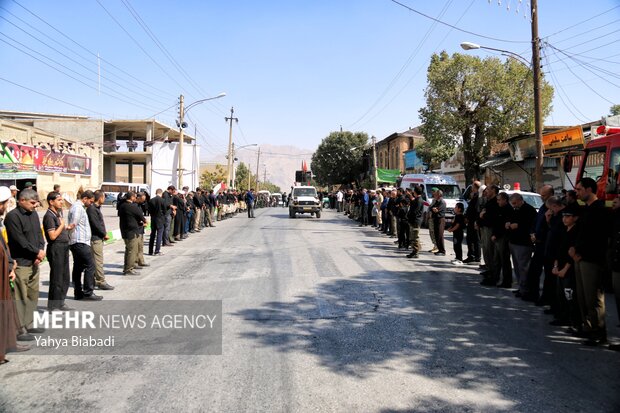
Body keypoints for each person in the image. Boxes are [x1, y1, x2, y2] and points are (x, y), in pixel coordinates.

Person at [5, 188, 46, 339]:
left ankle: (29, 323)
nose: (35, 206)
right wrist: (36, 252)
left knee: (32, 294)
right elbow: (19, 241)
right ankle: (19, 328)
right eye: (32, 202)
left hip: (34, 261)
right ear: (22, 201)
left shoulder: (34, 214)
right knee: (20, 295)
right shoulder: (12, 217)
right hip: (21, 262)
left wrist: (40, 251)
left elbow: (39, 235)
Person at [571, 177, 608, 346]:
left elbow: (597, 238)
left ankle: (598, 331)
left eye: (579, 189)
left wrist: (581, 253)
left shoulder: (599, 210)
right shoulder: (585, 209)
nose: (576, 192)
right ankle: (588, 326)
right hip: (579, 257)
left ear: (589, 190)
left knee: (593, 297)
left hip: (591, 259)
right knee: (583, 296)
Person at [0, 185, 27, 362]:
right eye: (4, 203)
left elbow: (3, 246)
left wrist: (10, 264)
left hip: (5, 271)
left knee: (7, 310)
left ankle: (8, 343)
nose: (5, 206)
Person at [43, 191, 75, 311]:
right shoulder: (49, 216)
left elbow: (60, 229)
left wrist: (66, 227)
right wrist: (62, 226)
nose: (62, 202)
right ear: (51, 202)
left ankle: (60, 302)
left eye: (62, 200)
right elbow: (52, 236)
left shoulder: (57, 214)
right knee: (57, 278)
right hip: (56, 248)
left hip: (63, 247)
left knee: (65, 277)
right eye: (59, 200)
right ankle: (53, 305)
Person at [68, 190, 102, 301]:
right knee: (90, 266)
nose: (91, 204)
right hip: (80, 242)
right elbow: (73, 223)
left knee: (78, 267)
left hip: (78, 242)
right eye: (90, 201)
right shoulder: (78, 208)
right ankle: (88, 292)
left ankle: (78, 292)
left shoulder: (79, 207)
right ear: (85, 198)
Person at [506, 193, 537, 291]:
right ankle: (521, 286)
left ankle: (525, 288)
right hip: (514, 241)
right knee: (516, 266)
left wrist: (518, 225)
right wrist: (508, 223)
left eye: (515, 203)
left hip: (523, 242)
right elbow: (510, 218)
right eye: (512, 204)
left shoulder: (529, 210)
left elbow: (531, 225)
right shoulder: (515, 210)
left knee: (523, 266)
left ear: (520, 200)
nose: (514, 205)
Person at [87, 190, 113, 291]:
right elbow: (95, 224)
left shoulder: (96, 208)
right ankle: (101, 281)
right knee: (98, 261)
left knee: (95, 260)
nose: (105, 199)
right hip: (95, 238)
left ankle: (93, 280)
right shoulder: (92, 209)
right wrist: (104, 234)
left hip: (98, 237)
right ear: (100, 198)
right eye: (104, 197)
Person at [119, 191, 147, 275]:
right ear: (131, 198)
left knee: (128, 250)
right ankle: (129, 269)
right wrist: (144, 222)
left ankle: (126, 267)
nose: (135, 198)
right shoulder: (132, 207)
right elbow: (142, 217)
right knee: (132, 251)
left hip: (124, 231)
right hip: (132, 232)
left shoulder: (122, 206)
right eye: (135, 197)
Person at [464, 181, 481, 264]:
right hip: (471, 221)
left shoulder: (478, 197)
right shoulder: (474, 196)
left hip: (474, 222)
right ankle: (470, 256)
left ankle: (476, 257)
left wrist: (475, 222)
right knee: (470, 239)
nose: (471, 188)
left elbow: (477, 210)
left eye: (473, 187)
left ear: (476, 187)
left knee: (475, 240)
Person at [407, 186, 424, 259]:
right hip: (414, 221)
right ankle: (415, 250)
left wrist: (410, 217)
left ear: (415, 192)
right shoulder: (417, 199)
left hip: (416, 221)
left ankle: (416, 252)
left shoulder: (419, 200)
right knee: (413, 236)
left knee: (415, 237)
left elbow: (415, 212)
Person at [148, 189, 166, 256]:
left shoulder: (151, 200)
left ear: (156, 193)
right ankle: (157, 251)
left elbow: (149, 210)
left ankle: (150, 251)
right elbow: (164, 210)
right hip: (160, 219)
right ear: (161, 193)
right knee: (159, 235)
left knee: (152, 234)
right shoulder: (162, 200)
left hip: (153, 218)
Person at [430, 189, 447, 256]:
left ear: (439, 195)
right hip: (436, 219)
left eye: (436, 194)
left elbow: (437, 210)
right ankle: (439, 249)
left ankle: (442, 251)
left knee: (440, 235)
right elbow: (431, 207)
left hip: (440, 219)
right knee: (436, 235)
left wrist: (435, 209)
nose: (434, 195)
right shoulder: (436, 201)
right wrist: (434, 209)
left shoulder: (442, 202)